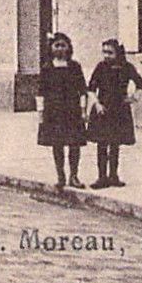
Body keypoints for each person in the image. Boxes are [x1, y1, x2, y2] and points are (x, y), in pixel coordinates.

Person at [88, 38, 142, 189]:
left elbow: (141, 84)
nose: (106, 56)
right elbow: (91, 88)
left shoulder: (126, 67)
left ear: (118, 53)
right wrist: (97, 104)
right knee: (102, 144)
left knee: (115, 144)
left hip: (119, 110)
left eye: (110, 52)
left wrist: (133, 98)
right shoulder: (100, 67)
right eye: (104, 52)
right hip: (103, 109)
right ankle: (101, 177)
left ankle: (113, 176)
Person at [35, 32, 88, 190]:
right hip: (54, 111)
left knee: (74, 144)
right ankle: (61, 176)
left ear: (68, 47)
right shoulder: (47, 68)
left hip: (72, 110)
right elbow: (41, 92)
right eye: (57, 45)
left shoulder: (74, 67)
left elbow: (82, 90)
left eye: (63, 45)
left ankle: (74, 176)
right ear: (51, 48)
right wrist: (40, 113)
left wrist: (83, 110)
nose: (60, 48)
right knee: (57, 144)